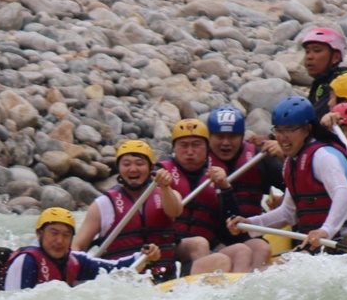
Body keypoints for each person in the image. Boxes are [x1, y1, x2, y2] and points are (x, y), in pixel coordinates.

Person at [227, 96, 347, 252]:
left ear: (307, 129)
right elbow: (288, 213)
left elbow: (343, 195)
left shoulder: (323, 156)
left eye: (290, 130)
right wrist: (250, 224)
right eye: (279, 130)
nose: (283, 137)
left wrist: (325, 230)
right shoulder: (291, 164)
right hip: (323, 246)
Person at [73, 139, 181, 283]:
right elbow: (78, 246)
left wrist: (165, 187)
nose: (133, 169)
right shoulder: (103, 205)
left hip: (164, 279)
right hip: (122, 282)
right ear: (118, 168)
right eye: (126, 164)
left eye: (140, 163)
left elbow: (175, 212)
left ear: (151, 167)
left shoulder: (166, 194)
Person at [0, 207, 160, 290]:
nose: (60, 240)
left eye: (66, 235)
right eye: (54, 233)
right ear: (39, 234)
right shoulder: (26, 261)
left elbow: (115, 269)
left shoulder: (75, 261)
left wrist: (144, 256)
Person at [157, 119, 238, 273]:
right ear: (174, 148)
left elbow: (231, 222)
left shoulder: (217, 174)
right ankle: (201, 281)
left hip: (209, 242)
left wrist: (225, 188)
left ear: (207, 148)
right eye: (183, 145)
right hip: (171, 245)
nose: (190, 151)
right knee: (199, 244)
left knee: (241, 250)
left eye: (196, 145)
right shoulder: (161, 173)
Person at [206, 104, 279, 270]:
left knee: (261, 248)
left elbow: (294, 184)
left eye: (232, 137)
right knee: (241, 251)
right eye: (219, 136)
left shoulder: (259, 158)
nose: (225, 143)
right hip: (213, 237)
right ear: (209, 137)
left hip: (247, 232)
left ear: (241, 137)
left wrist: (283, 155)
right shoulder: (199, 161)